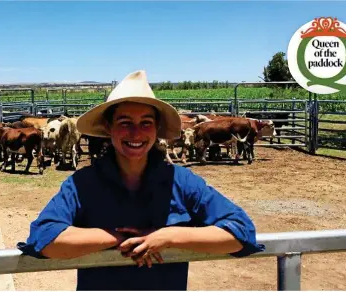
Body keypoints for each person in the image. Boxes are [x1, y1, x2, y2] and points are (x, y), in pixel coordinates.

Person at [18, 70, 265, 291]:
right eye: (125, 123)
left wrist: (166, 237)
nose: (136, 133)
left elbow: (240, 232)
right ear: (109, 127)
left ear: (156, 128)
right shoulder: (83, 184)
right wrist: (121, 239)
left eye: (146, 123)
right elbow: (45, 238)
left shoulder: (181, 181)